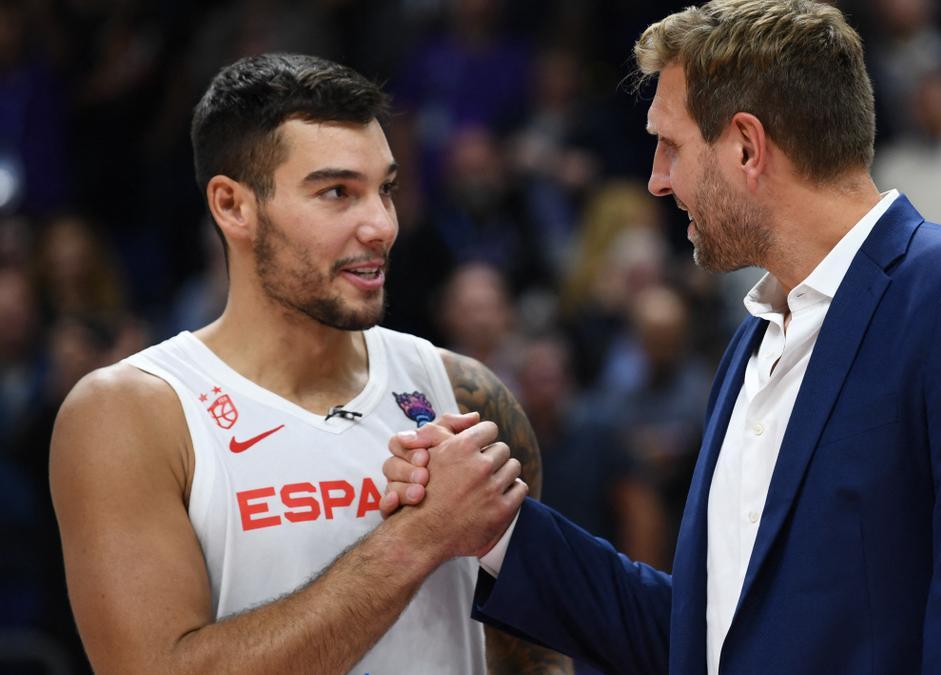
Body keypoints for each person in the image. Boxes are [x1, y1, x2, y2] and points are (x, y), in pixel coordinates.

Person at [384, 1, 941, 673]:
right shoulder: (751, 345)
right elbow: (709, 638)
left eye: (669, 145)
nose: (657, 180)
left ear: (748, 146)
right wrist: (499, 530)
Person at [48, 53, 570, 674]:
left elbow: (534, 655)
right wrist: (416, 539)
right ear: (233, 206)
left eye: (386, 190)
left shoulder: (467, 392)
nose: (381, 225)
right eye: (336, 193)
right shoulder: (131, 413)